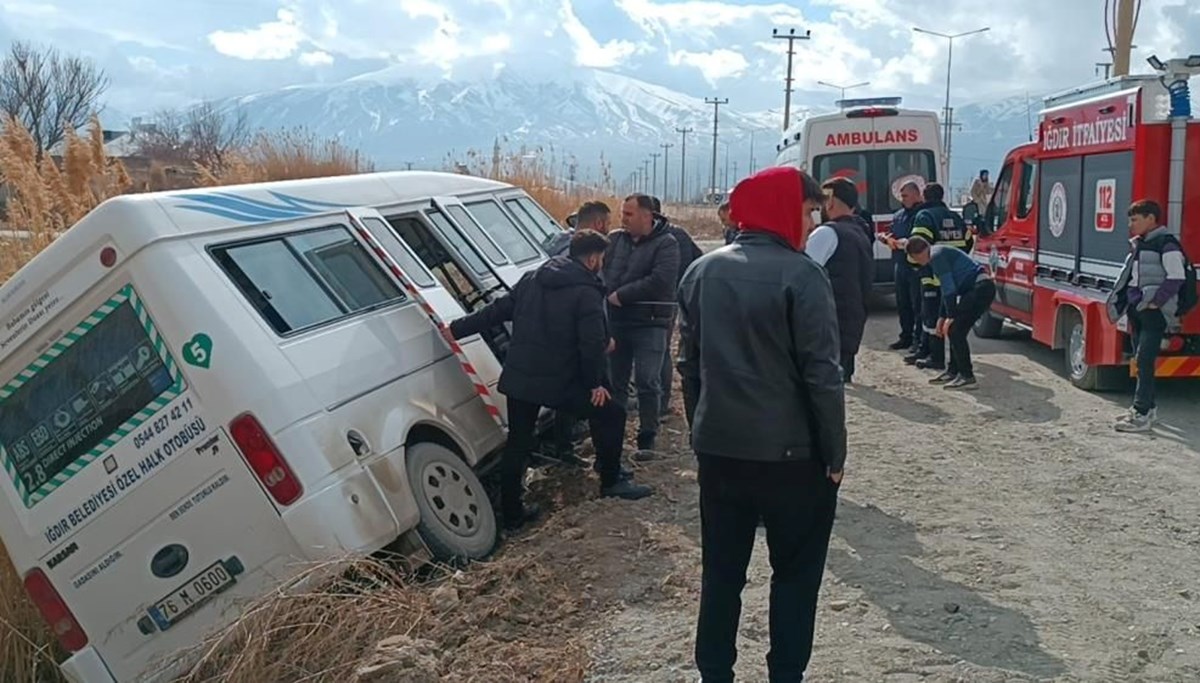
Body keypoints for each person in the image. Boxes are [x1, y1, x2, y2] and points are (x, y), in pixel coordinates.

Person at [677, 166, 846, 683]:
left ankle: (715, 674)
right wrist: (834, 453)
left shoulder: (702, 272)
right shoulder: (802, 276)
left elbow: (689, 367)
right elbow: (822, 375)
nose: (812, 221)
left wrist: (702, 430)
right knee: (794, 578)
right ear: (780, 208)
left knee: (721, 575)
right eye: (807, 209)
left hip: (722, 453)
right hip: (793, 459)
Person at [445, 230, 653, 531]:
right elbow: (591, 342)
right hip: (560, 380)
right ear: (593, 258)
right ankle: (611, 479)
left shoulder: (532, 278)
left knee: (518, 443)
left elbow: (497, 311)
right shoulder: (587, 290)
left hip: (522, 377)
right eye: (602, 259)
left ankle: (512, 516)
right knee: (611, 412)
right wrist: (595, 383)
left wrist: (455, 329)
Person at [603, 194, 680, 456]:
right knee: (617, 382)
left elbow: (661, 280)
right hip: (617, 322)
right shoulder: (614, 240)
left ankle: (648, 434)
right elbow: (603, 270)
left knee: (648, 379)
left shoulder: (667, 243)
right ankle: (613, 435)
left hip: (651, 322)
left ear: (648, 216)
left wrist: (621, 296)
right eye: (622, 213)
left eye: (629, 214)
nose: (623, 219)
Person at [1106, 199, 1190, 433]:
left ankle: (1142, 414)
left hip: (1155, 314)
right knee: (1141, 361)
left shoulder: (1167, 244)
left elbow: (1176, 277)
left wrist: (1156, 302)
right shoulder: (1140, 244)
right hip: (1138, 310)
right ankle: (1147, 409)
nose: (1131, 225)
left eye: (1135, 219)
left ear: (1151, 219)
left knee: (1144, 360)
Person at [805, 177, 874, 383]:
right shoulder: (860, 232)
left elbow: (802, 274)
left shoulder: (826, 233)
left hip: (829, 326)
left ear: (831, 201)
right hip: (851, 320)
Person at [905, 236, 995, 390]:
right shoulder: (936, 253)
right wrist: (942, 317)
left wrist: (951, 316)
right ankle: (953, 371)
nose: (917, 263)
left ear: (916, 254)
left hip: (980, 289)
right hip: (975, 289)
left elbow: (949, 289)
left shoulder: (935, 257)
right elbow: (944, 289)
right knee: (954, 331)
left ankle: (967, 376)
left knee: (955, 331)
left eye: (914, 259)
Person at [907, 183, 971, 371]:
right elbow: (968, 241)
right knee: (951, 319)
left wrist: (914, 266)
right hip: (954, 279)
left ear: (925, 198)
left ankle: (936, 358)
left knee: (931, 319)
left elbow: (916, 246)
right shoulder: (955, 216)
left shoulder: (924, 216)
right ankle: (951, 362)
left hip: (932, 277)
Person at [650, 196, 703, 419]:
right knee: (661, 350)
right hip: (673, 298)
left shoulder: (661, 238)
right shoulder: (679, 233)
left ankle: (661, 403)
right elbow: (697, 258)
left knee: (660, 350)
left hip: (662, 300)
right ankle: (661, 402)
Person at [881, 182, 924, 352]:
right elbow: (891, 232)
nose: (902, 199)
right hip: (900, 264)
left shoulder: (921, 215)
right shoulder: (899, 215)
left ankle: (918, 339)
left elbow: (918, 240)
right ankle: (905, 336)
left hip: (915, 265)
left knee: (917, 304)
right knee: (902, 303)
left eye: (905, 196)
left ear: (915, 195)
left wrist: (900, 243)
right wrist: (885, 238)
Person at [547, 200, 611, 257]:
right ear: (599, 224)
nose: (609, 229)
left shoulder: (560, 241)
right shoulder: (582, 253)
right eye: (608, 224)